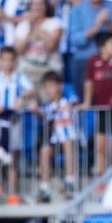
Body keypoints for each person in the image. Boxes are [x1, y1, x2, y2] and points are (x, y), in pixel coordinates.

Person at [0, 46, 36, 203]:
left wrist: (22, 96)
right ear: (0, 62)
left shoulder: (20, 78)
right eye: (4, 60)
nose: (7, 63)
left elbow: (32, 91)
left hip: (14, 121)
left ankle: (12, 191)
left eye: (10, 60)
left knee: (12, 156)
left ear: (15, 61)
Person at [69, 0, 112, 100]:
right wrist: (96, 26)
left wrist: (108, 23)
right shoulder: (77, 10)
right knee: (79, 63)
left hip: (110, 60)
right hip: (85, 58)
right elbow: (75, 40)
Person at [81, 31, 112, 176]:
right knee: (100, 147)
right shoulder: (93, 60)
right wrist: (87, 102)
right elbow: (89, 82)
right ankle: (100, 179)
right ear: (102, 47)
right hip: (100, 109)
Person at [37, 71, 77, 202]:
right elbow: (43, 117)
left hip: (67, 133)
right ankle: (44, 186)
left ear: (59, 86)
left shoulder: (68, 98)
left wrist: (68, 106)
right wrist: (36, 111)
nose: (49, 90)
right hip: (52, 136)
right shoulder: (46, 105)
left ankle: (70, 181)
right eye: (47, 87)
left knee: (68, 144)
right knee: (44, 151)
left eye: (52, 86)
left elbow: (75, 103)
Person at [14, 0, 63, 89]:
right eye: (34, 4)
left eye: (40, 4)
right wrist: (30, 30)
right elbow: (18, 51)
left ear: (46, 6)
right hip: (27, 71)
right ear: (30, 6)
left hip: (48, 69)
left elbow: (51, 47)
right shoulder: (22, 26)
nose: (37, 7)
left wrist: (36, 27)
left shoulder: (55, 23)